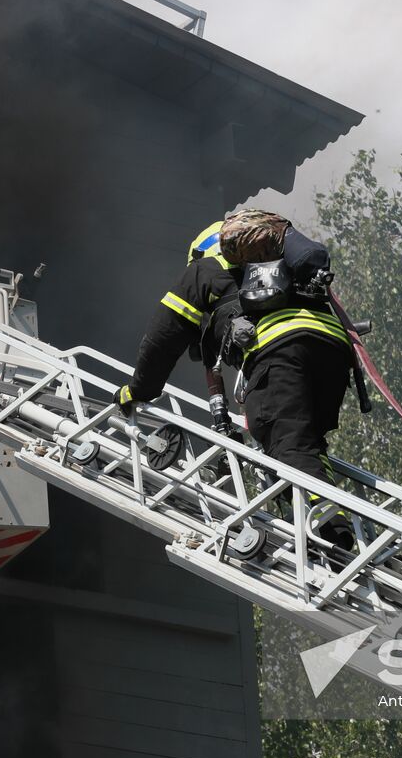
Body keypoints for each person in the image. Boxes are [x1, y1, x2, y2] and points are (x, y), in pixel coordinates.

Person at [116, 209, 356, 550]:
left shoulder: (204, 270)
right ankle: (329, 526)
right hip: (333, 352)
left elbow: (163, 337)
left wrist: (138, 390)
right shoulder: (284, 270)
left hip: (282, 350)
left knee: (286, 441)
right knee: (305, 445)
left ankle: (333, 537)